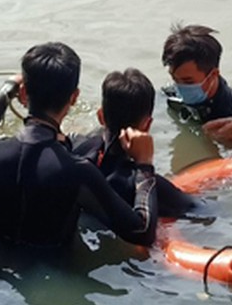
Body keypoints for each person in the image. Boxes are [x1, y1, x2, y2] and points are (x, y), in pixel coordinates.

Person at [0, 42, 161, 249]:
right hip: (54, 268)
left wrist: (8, 88)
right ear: (74, 97)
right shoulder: (77, 170)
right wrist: (145, 165)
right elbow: (142, 231)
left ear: (24, 94)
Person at [73, 68, 200, 218]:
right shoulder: (152, 186)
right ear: (147, 124)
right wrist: (146, 164)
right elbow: (203, 212)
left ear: (101, 116)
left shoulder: (75, 148)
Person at [162, 24, 232, 142]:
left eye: (188, 81)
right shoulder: (171, 96)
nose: (180, 87)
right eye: (175, 79)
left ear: (213, 75)